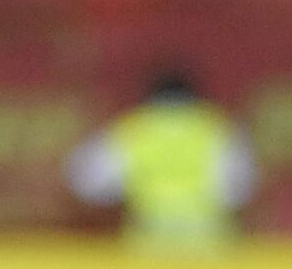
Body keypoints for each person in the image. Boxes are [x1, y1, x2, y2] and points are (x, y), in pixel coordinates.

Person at [66, 67, 255, 252]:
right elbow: (239, 189)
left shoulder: (134, 129)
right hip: (209, 245)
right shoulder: (216, 129)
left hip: (148, 242)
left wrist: (124, 190)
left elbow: (86, 180)